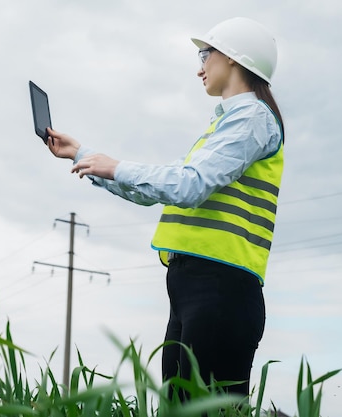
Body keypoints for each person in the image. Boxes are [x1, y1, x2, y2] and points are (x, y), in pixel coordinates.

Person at [46, 17, 284, 400]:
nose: (200, 66)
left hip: (221, 289)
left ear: (235, 60)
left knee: (201, 407)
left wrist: (116, 165)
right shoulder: (225, 127)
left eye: (206, 54)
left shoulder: (252, 119)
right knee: (179, 407)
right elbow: (163, 186)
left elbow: (188, 185)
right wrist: (82, 155)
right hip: (195, 288)